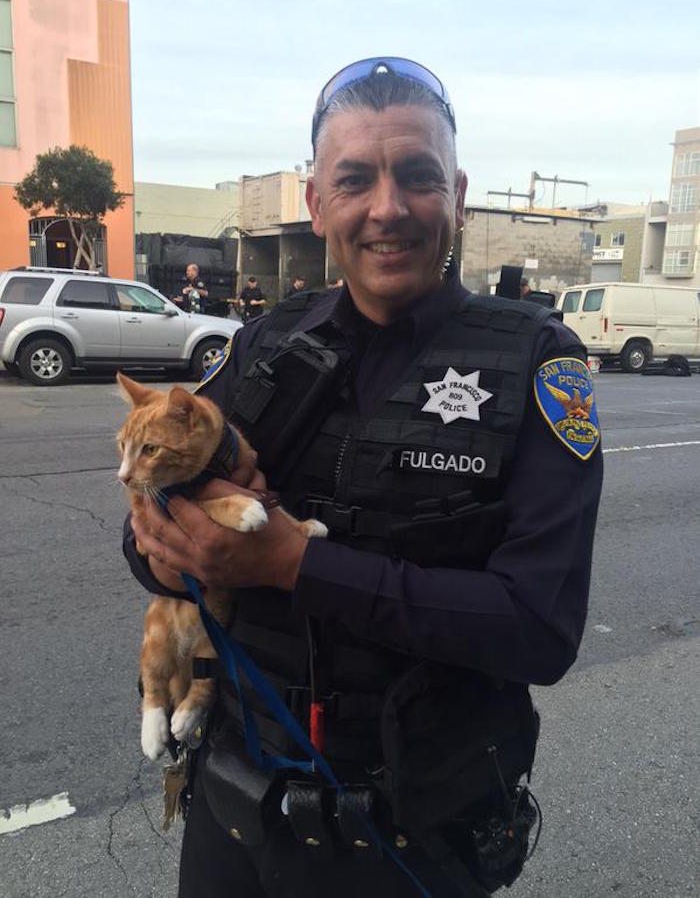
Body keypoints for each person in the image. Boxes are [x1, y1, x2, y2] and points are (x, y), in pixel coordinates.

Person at [123, 56, 603, 897]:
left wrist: (292, 564)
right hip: (233, 804)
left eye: (417, 176)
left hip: (408, 836)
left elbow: (541, 626)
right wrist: (166, 550)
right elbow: (146, 534)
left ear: (455, 192)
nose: (388, 208)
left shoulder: (539, 362)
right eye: (355, 180)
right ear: (317, 204)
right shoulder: (262, 346)